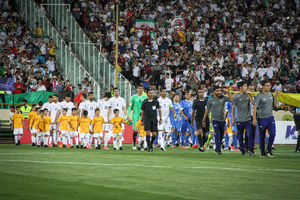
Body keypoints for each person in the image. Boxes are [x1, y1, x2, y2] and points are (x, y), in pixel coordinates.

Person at [203, 86, 233, 155]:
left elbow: (232, 99)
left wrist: (228, 92)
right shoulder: (210, 100)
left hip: (222, 120)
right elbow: (207, 110)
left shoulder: (223, 98)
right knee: (217, 134)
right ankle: (218, 150)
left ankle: (217, 148)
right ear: (214, 92)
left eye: (220, 90)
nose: (219, 92)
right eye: (217, 91)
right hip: (214, 119)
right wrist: (204, 119)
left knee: (221, 135)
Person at [252, 80, 279, 158]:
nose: (268, 87)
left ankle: (269, 150)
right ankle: (262, 152)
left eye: (269, 86)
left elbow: (275, 106)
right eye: (267, 85)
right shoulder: (259, 96)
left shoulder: (271, 94)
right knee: (262, 135)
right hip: (261, 118)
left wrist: (276, 96)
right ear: (263, 87)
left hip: (270, 117)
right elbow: (254, 107)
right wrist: (254, 119)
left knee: (273, 133)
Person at [232, 81, 255, 156]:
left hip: (248, 119)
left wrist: (249, 97)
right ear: (241, 87)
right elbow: (233, 108)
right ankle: (242, 149)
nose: (247, 88)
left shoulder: (248, 95)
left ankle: (251, 149)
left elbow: (254, 103)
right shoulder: (236, 96)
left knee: (249, 134)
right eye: (245, 86)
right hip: (239, 120)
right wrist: (233, 119)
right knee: (240, 136)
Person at [127, 84, 147, 149]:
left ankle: (140, 144)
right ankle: (134, 143)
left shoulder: (145, 97)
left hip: (142, 117)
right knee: (135, 131)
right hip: (135, 117)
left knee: (142, 131)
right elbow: (130, 107)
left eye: (141, 88)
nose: (140, 89)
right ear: (137, 89)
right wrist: (128, 115)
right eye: (139, 88)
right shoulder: (133, 97)